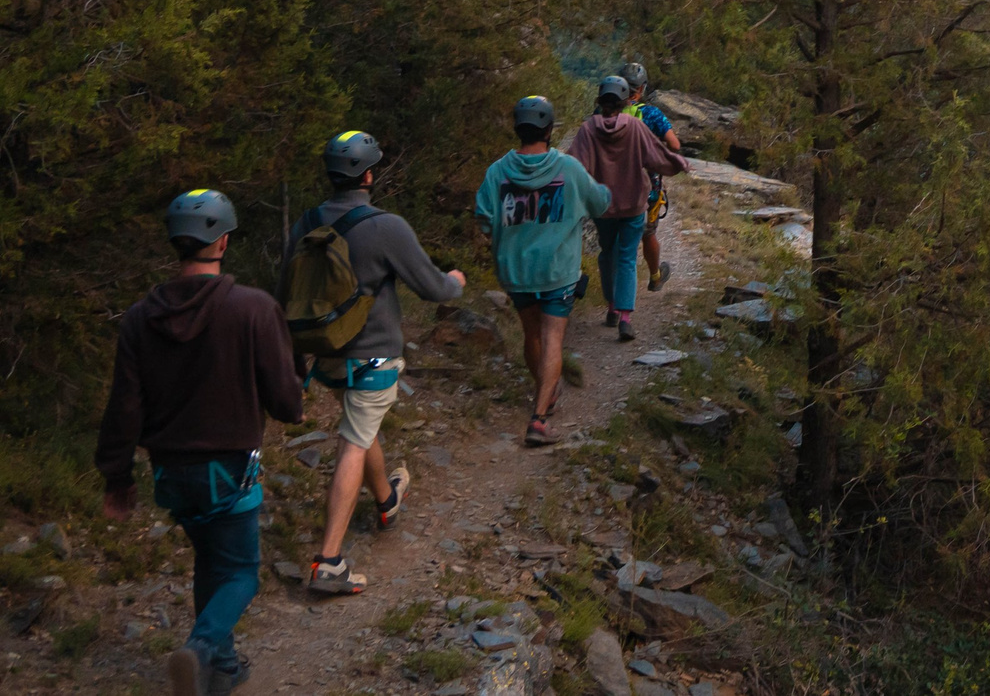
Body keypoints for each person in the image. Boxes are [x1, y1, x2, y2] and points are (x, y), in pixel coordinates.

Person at [97, 189, 304, 696]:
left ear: (176, 244)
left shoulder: (139, 318)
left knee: (210, 560)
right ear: (225, 240)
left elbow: (125, 406)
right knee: (241, 574)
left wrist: (117, 478)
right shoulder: (253, 308)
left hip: (170, 476)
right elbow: (287, 404)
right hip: (228, 475)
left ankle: (223, 668)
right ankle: (201, 648)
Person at [284, 129, 466, 598]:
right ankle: (328, 561)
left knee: (362, 427)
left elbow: (288, 291)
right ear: (368, 174)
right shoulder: (386, 226)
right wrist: (456, 281)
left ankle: (386, 500)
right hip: (373, 359)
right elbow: (433, 288)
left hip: (324, 356)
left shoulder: (303, 222)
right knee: (353, 441)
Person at [474, 96, 614, 445]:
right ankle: (538, 419)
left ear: (517, 129)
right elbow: (599, 202)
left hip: (516, 272)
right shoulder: (568, 169)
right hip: (557, 272)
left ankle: (545, 391)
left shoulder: (497, 172)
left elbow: (484, 220)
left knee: (532, 335)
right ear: (550, 129)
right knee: (553, 337)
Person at [568, 74, 685, 343]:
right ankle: (624, 318)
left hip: (603, 205)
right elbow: (659, 155)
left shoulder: (588, 129)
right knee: (627, 259)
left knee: (607, 253)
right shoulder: (636, 126)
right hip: (633, 204)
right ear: (625, 102)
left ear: (600, 101)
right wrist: (679, 165)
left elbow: (574, 164)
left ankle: (610, 307)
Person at [621, 61, 685, 292]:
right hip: (647, 187)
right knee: (649, 232)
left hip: (613, 186)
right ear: (642, 88)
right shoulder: (652, 114)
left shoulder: (606, 111)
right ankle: (655, 276)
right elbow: (675, 144)